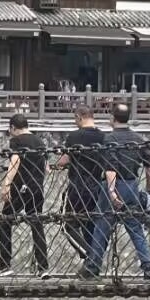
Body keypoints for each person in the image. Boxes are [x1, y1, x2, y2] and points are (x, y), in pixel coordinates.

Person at [80, 103, 150, 280]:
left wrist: (112, 191)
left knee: (102, 227)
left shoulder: (110, 139)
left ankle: (93, 266)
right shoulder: (138, 139)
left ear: (112, 118)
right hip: (132, 185)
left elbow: (111, 167)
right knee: (135, 228)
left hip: (114, 185)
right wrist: (149, 188)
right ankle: (148, 267)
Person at [0, 114, 49, 277]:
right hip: (37, 188)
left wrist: (6, 184)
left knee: (4, 221)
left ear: (13, 127)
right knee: (36, 223)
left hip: (21, 188)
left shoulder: (17, 141)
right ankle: (43, 268)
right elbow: (47, 168)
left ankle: (5, 265)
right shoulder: (40, 142)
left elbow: (15, 161)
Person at [57, 105, 106, 261]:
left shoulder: (74, 137)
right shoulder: (103, 137)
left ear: (79, 117)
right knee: (90, 226)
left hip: (77, 188)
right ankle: (91, 266)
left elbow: (64, 160)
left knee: (67, 225)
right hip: (97, 188)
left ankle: (90, 256)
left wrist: (57, 163)